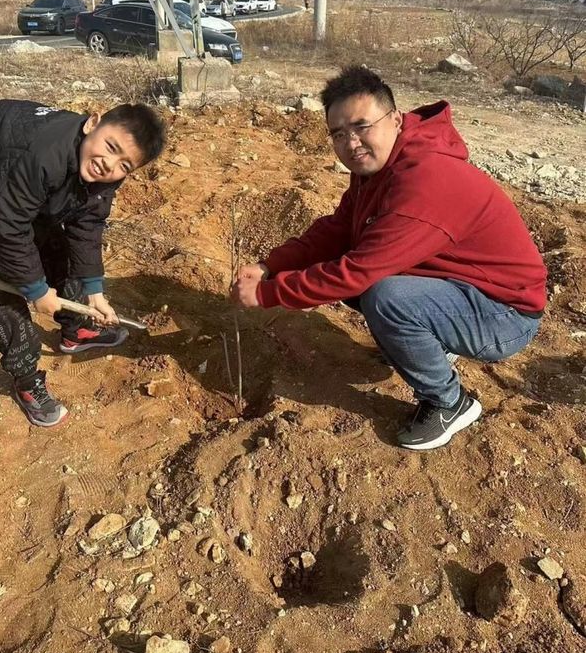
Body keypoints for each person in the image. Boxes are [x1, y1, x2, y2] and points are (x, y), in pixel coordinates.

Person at [231, 65, 546, 451]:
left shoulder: (424, 180)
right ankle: (428, 340)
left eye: (362, 126)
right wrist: (270, 265)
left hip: (506, 313)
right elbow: (338, 229)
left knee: (384, 297)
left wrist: (267, 295)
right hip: (463, 288)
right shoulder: (379, 168)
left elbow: (357, 272)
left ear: (395, 120)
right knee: (369, 278)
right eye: (338, 134)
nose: (351, 143)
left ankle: (451, 403)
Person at [0, 99, 166, 428]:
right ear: (92, 123)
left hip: (13, 167)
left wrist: (94, 292)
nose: (109, 165)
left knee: (52, 241)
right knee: (0, 274)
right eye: (110, 147)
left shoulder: (101, 170)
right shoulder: (45, 153)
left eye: (124, 165)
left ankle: (75, 329)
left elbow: (88, 224)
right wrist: (37, 291)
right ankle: (25, 379)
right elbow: (10, 228)